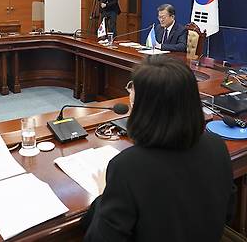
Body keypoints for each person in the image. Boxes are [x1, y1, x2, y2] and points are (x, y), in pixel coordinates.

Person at [83, 56, 235, 242]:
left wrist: (101, 197)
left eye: (133, 103)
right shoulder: (217, 146)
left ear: (145, 111)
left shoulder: (127, 167)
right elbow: (228, 214)